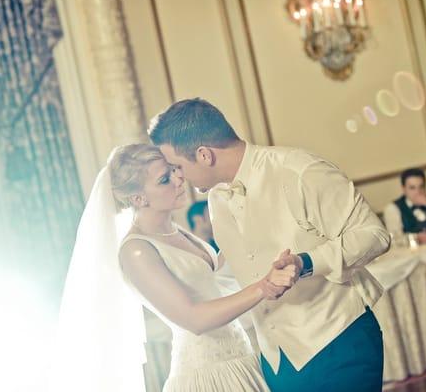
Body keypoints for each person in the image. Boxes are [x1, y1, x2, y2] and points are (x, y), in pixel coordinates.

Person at [149, 98, 390, 392]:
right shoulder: (215, 200)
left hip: (337, 340)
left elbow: (373, 234)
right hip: (276, 362)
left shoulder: (298, 170)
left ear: (204, 155)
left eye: (177, 166)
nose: (178, 177)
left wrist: (306, 262)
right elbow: (239, 270)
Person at [50, 144, 300, 392]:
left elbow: (216, 281)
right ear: (138, 198)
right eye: (164, 178)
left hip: (244, 360)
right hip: (208, 376)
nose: (179, 178)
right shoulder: (136, 251)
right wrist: (263, 287)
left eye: (173, 169)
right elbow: (194, 318)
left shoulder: (178, 232)